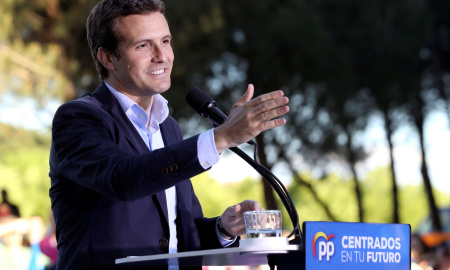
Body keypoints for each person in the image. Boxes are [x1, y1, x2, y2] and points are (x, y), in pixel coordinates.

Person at [48, 0, 290, 269]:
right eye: (143, 45)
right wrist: (220, 138)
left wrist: (223, 228)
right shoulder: (78, 118)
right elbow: (122, 178)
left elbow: (178, 234)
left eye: (165, 41)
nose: (162, 55)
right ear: (107, 58)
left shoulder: (169, 127)